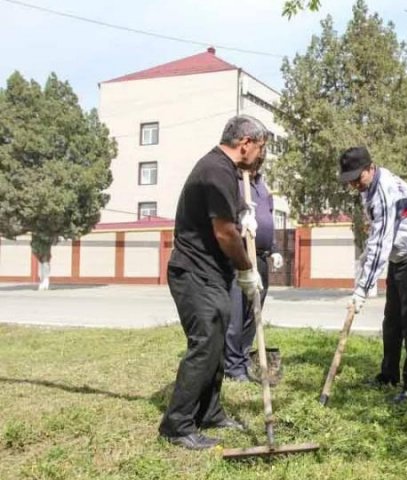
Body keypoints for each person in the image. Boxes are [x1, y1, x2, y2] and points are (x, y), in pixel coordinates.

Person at [158, 115, 266, 450]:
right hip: (194, 272)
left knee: (217, 343)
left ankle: (209, 411)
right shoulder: (216, 170)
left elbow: (226, 221)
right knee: (205, 344)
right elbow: (223, 232)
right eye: (260, 148)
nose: (260, 156)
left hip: (211, 274)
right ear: (245, 142)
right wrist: (247, 269)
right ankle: (176, 425)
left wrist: (242, 215)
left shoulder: (227, 172)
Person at [339, 147, 407, 404]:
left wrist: (362, 289)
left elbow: (382, 242)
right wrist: (365, 261)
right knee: (391, 319)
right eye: (350, 180)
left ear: (371, 167)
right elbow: (376, 237)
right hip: (399, 256)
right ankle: (389, 374)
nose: (355, 184)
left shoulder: (384, 192)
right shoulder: (368, 188)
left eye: (358, 178)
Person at [224, 156, 283, 383]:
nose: (257, 164)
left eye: (260, 161)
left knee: (253, 312)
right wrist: (241, 225)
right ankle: (233, 366)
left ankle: (244, 355)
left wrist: (275, 248)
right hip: (239, 255)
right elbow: (225, 221)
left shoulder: (262, 187)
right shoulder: (233, 182)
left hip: (260, 257)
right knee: (236, 314)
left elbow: (269, 220)